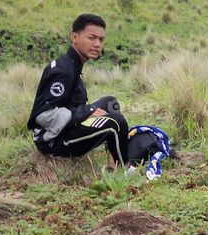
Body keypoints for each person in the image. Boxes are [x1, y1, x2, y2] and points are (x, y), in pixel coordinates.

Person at [27, 13, 131, 170]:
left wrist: (86, 111)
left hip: (66, 127)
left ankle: (113, 163)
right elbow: (43, 116)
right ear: (74, 37)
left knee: (110, 103)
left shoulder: (72, 64)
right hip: (54, 141)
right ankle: (124, 172)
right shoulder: (63, 70)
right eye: (92, 38)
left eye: (101, 40)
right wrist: (87, 111)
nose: (97, 44)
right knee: (117, 122)